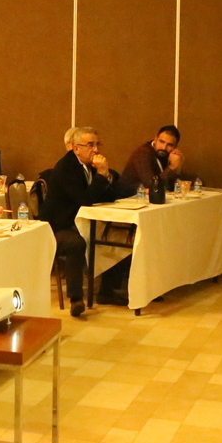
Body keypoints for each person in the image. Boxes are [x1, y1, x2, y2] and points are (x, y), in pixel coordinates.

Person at [41, 127, 122, 318]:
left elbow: (109, 196)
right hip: (56, 226)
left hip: (78, 222)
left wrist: (105, 175)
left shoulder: (89, 165)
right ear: (76, 149)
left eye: (97, 144)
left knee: (115, 234)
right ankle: (76, 299)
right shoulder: (66, 167)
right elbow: (85, 199)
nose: (96, 150)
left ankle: (107, 291)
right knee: (76, 243)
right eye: (90, 145)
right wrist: (101, 175)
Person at [116, 125, 186, 197]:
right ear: (155, 139)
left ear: (175, 147)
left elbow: (172, 187)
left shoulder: (168, 155)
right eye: (161, 142)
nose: (164, 148)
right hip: (127, 198)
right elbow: (151, 185)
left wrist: (178, 167)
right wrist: (172, 167)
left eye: (170, 145)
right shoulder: (143, 153)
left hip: (148, 199)